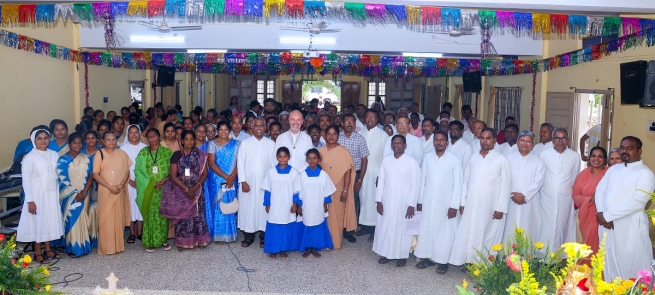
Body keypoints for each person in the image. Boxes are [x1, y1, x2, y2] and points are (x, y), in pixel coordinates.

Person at [449, 128, 511, 268]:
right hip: (471, 203)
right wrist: (462, 202)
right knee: (469, 230)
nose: (485, 141)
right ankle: (469, 261)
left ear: (494, 140)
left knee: (487, 233)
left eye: (488, 138)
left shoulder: (501, 160)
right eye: (482, 138)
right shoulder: (473, 157)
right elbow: (465, 181)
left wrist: (501, 207)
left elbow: (506, 185)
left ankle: (483, 264)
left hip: (490, 204)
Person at [595, 136, 654, 280]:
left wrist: (607, 216)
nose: (625, 151)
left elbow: (637, 202)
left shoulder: (645, 173)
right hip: (607, 225)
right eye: (622, 148)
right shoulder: (613, 170)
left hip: (629, 225)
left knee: (630, 262)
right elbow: (600, 190)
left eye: (630, 148)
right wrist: (602, 213)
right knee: (608, 259)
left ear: (639, 151)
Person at [414, 130, 462, 273]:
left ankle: (443, 260)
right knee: (428, 228)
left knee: (445, 232)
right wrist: (420, 200)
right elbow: (422, 180)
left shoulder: (454, 159)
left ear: (447, 143)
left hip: (446, 203)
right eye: (436, 140)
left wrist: (454, 205)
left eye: (442, 140)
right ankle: (427, 258)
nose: (439, 142)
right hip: (428, 200)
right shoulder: (428, 158)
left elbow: (458, 184)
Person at [17, 128, 64, 264]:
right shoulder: (29, 157)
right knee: (39, 222)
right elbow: (26, 181)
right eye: (39, 138)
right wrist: (30, 201)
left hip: (51, 193)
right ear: (34, 140)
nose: (43, 141)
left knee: (49, 220)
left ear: (49, 139)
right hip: (37, 195)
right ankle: (37, 252)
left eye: (45, 138)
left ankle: (48, 249)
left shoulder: (54, 154)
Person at [373, 135, 421, 267]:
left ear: (405, 146)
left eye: (399, 143)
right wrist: (379, 201)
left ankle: (402, 256)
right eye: (394, 143)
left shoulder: (412, 162)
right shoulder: (386, 161)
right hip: (387, 200)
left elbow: (415, 185)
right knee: (385, 226)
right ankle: (385, 253)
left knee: (402, 229)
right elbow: (381, 181)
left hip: (404, 203)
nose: (396, 145)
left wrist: (412, 204)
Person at [160, 130, 210, 250]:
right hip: (180, 190)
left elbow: (205, 173)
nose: (189, 141)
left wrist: (195, 187)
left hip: (197, 190)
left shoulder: (200, 154)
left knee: (198, 215)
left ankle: (200, 240)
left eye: (191, 139)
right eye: (186, 139)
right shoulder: (176, 154)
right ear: (181, 141)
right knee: (183, 217)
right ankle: (183, 242)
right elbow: (173, 175)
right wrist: (187, 189)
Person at [538, 128, 580, 252]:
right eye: (557, 138)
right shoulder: (544, 154)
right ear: (552, 140)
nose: (560, 141)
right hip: (546, 198)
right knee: (546, 226)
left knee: (563, 226)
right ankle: (543, 254)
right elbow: (540, 175)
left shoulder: (574, 156)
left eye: (563, 138)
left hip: (565, 198)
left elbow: (574, 177)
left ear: (568, 140)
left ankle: (559, 254)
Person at [237, 117, 276, 248]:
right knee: (248, 208)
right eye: (256, 126)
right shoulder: (245, 143)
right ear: (252, 127)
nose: (259, 128)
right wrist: (243, 181)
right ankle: (249, 236)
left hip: (265, 183)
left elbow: (273, 165)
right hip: (248, 183)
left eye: (261, 126)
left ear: (265, 128)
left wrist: (271, 183)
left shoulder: (271, 144)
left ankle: (263, 236)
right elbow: (240, 163)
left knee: (264, 208)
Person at [92, 131, 132, 255]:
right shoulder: (99, 154)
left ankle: (118, 246)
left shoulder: (122, 154)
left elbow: (127, 171)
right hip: (105, 191)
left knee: (119, 218)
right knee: (105, 219)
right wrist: (110, 187)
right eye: (108, 139)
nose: (111, 141)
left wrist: (120, 185)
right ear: (103, 141)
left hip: (119, 191)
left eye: (113, 139)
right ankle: (106, 248)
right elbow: (95, 174)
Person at [55, 132, 94, 257]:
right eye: (74, 143)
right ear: (69, 144)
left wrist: (84, 192)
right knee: (72, 220)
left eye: (79, 143)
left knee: (83, 219)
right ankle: (73, 249)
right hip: (69, 196)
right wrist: (75, 194)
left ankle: (84, 246)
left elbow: (91, 176)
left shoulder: (86, 158)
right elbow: (62, 179)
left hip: (84, 195)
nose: (77, 145)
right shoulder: (62, 159)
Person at [319, 125, 357, 249]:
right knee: (324, 216)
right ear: (324, 135)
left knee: (337, 217)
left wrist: (345, 190)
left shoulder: (344, 152)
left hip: (339, 189)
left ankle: (336, 242)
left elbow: (348, 172)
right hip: (323, 190)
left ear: (338, 136)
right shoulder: (320, 151)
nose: (331, 136)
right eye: (328, 134)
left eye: (334, 134)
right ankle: (323, 242)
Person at [135, 128, 172, 252]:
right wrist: (150, 183)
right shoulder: (143, 153)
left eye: (154, 136)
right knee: (150, 215)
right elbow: (138, 171)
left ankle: (163, 240)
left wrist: (165, 180)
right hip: (149, 189)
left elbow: (174, 171)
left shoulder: (167, 152)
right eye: (149, 137)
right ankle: (150, 241)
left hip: (164, 189)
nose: (152, 139)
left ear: (159, 137)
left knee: (162, 215)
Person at [503, 130, 545, 241]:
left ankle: (528, 257)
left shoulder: (538, 161)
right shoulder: (507, 159)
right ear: (517, 142)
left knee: (528, 228)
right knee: (509, 228)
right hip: (510, 199)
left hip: (529, 201)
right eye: (522, 140)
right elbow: (504, 179)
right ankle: (508, 256)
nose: (525, 143)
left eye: (528, 141)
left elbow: (538, 181)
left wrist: (524, 195)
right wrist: (512, 194)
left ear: (533, 144)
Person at [262, 147, 302, 259]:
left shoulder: (294, 172)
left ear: (289, 157)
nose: (282, 159)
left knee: (286, 227)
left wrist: (295, 204)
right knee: (274, 227)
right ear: (276, 157)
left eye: (285, 156)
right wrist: (267, 204)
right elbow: (267, 190)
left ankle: (284, 249)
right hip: (275, 204)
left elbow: (296, 190)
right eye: (280, 156)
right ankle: (273, 249)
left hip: (287, 205)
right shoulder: (271, 172)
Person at [356, 110, 389, 242]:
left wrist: (382, 175)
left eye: (373, 117)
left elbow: (387, 157)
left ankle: (375, 229)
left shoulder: (383, 135)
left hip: (376, 172)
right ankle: (364, 226)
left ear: (377, 119)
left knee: (375, 201)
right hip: (362, 173)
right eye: (368, 116)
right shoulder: (359, 133)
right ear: (364, 118)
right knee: (363, 199)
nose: (370, 119)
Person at [298, 149, 336, 258]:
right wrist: (299, 206)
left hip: (318, 205)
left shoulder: (323, 175)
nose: (312, 160)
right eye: (309, 158)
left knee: (317, 225)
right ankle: (307, 247)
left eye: (314, 158)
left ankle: (315, 247)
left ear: (318, 159)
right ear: (306, 160)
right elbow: (298, 192)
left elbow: (327, 191)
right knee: (307, 225)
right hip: (307, 205)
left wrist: (325, 204)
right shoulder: (302, 175)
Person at [206, 121, 240, 244]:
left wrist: (232, 177)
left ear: (229, 131)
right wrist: (226, 176)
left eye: (226, 129)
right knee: (218, 207)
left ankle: (230, 234)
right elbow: (211, 163)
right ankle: (218, 235)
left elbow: (239, 163)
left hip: (232, 178)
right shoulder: (212, 144)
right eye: (221, 129)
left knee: (229, 204)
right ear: (217, 131)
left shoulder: (236, 144)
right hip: (216, 179)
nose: (223, 132)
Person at [338, 114, 370, 242]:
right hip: (339, 174)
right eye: (347, 121)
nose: (350, 124)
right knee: (339, 202)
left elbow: (364, 160)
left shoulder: (360, 139)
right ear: (342, 124)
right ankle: (338, 229)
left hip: (354, 174)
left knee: (352, 203)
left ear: (355, 124)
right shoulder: (336, 137)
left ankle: (349, 231)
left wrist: (360, 180)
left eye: (352, 122)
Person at [572, 146, 608, 259]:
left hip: (604, 216)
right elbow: (575, 195)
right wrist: (589, 199)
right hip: (587, 215)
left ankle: (600, 272)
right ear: (589, 158)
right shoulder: (583, 175)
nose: (596, 159)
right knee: (587, 244)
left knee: (601, 245)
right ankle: (586, 271)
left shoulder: (610, 173)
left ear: (605, 159)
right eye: (593, 156)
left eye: (600, 157)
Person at [120, 125, 147, 244]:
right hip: (128, 182)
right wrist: (129, 181)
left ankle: (140, 232)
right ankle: (132, 232)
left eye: (136, 132)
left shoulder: (145, 148)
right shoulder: (122, 149)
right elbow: (120, 167)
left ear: (140, 133)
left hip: (142, 182)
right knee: (130, 206)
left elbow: (148, 167)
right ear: (127, 134)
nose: (134, 135)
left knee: (141, 204)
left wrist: (140, 181)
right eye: (131, 132)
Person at [82, 130, 100, 248]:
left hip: (97, 185)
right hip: (82, 185)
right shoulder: (81, 152)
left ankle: (95, 237)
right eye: (88, 138)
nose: (90, 140)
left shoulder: (101, 152)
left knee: (94, 211)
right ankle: (85, 236)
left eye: (93, 138)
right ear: (85, 140)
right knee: (84, 211)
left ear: (97, 139)